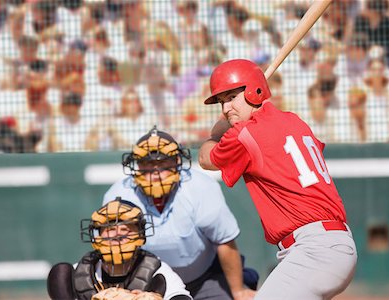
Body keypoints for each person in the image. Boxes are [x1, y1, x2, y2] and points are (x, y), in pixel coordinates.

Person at [198, 59, 358, 300]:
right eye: (222, 101)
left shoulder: (246, 134)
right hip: (328, 245)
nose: (225, 108)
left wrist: (215, 134)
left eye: (231, 97)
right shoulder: (294, 120)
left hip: (314, 249)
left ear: (255, 91)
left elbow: (205, 159)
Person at [103, 126, 258, 300]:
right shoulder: (119, 194)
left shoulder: (201, 187)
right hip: (146, 283)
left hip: (203, 278)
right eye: (147, 162)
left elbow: (224, 242)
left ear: (177, 161)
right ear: (136, 165)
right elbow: (113, 249)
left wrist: (238, 291)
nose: (155, 171)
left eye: (163, 162)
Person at [47, 198, 192, 300]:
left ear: (140, 235)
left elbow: (180, 296)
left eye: (126, 228)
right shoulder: (79, 272)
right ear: (98, 236)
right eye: (109, 229)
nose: (117, 234)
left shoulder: (157, 272)